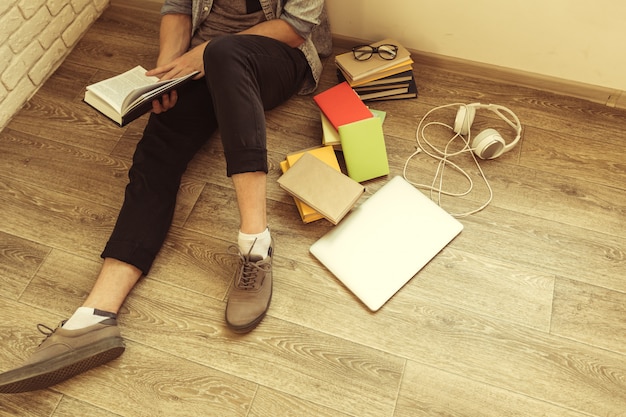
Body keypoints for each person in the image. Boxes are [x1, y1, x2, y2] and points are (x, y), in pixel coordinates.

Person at [0, 0, 331, 394]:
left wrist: (203, 53)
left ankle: (256, 245)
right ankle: (93, 317)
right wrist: (165, 74)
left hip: (276, 58)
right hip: (199, 59)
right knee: (158, 149)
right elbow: (176, 7)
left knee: (225, 51)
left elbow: (296, 26)